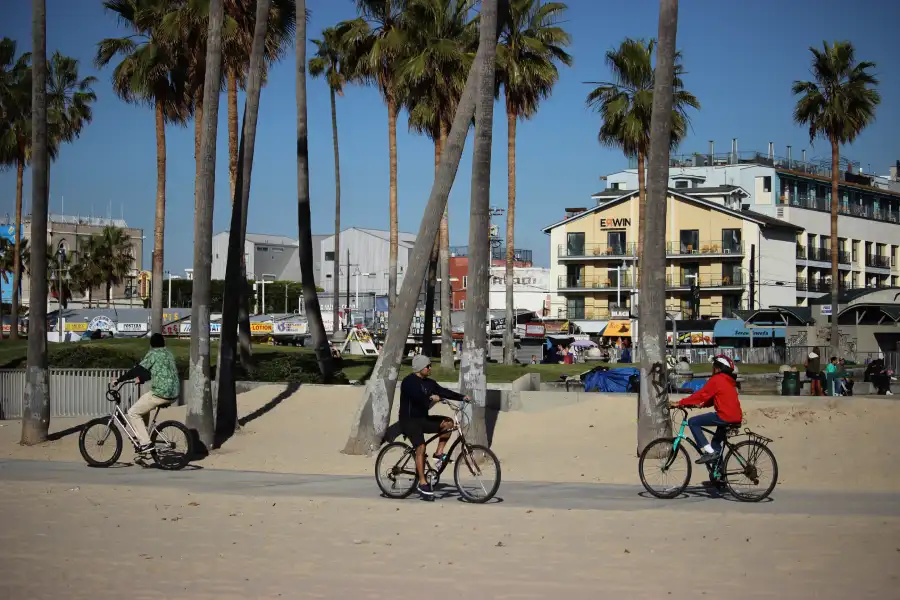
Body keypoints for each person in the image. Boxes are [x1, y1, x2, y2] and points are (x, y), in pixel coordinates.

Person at [398, 355, 470, 499]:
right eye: (428, 366)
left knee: (448, 423)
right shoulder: (408, 382)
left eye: (430, 365)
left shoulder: (430, 383)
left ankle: (438, 453)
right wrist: (430, 397)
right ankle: (423, 483)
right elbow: (417, 396)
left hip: (423, 419)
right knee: (421, 447)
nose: (430, 368)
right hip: (409, 421)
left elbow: (443, 391)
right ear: (419, 368)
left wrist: (462, 397)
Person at [113, 333, 180, 455]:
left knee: (132, 412)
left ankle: (145, 443)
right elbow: (158, 371)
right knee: (143, 404)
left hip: (160, 392)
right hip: (174, 392)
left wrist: (118, 380)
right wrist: (142, 379)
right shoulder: (168, 354)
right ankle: (144, 435)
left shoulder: (153, 354)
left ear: (151, 344)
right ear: (163, 343)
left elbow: (138, 369)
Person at [669, 354, 742, 464]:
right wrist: (698, 405)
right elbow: (713, 399)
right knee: (716, 444)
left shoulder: (717, 379)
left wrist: (679, 403)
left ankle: (709, 452)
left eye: (713, 367)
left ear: (717, 368)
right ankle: (719, 476)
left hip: (724, 416)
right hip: (735, 416)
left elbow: (701, 395)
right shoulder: (728, 381)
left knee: (693, 422)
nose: (712, 369)